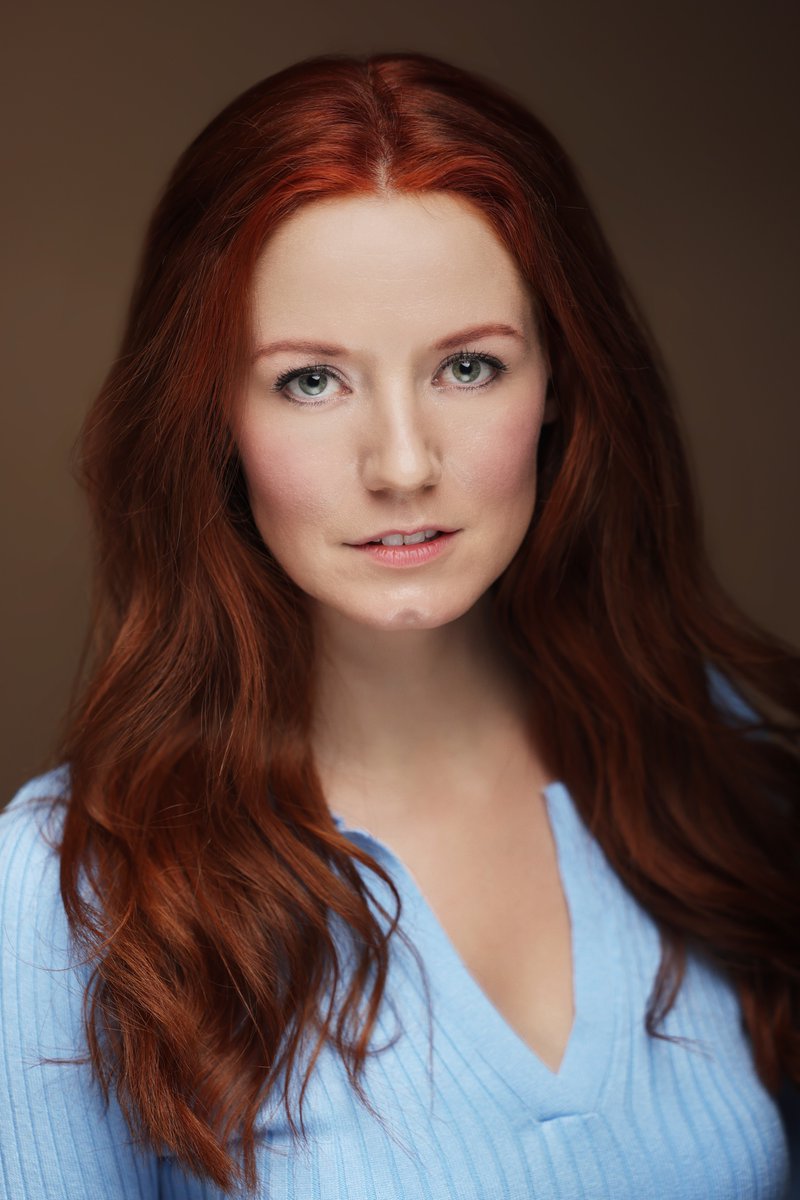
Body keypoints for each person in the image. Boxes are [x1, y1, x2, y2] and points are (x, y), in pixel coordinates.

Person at [1, 49, 798, 1200]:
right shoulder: (61, 891)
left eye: (468, 367)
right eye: (310, 382)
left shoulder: (695, 760)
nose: (403, 464)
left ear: (560, 387)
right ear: (209, 415)